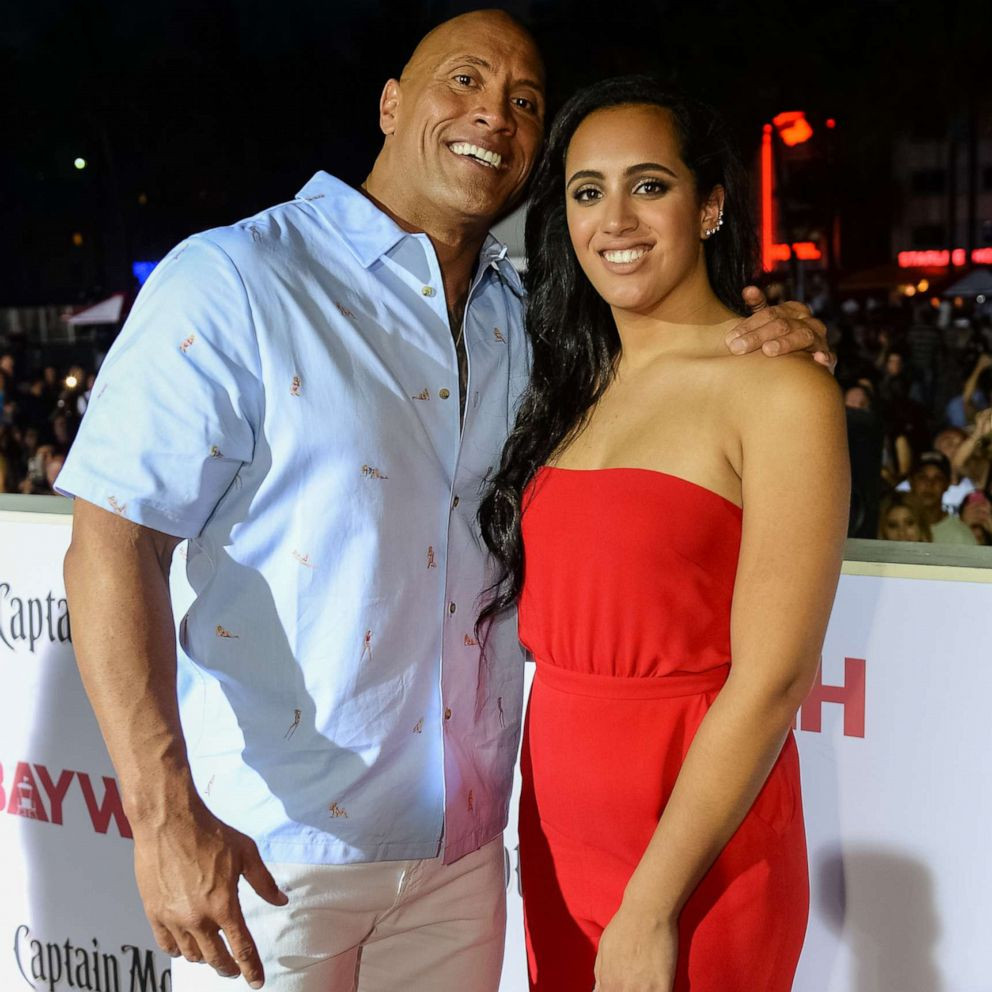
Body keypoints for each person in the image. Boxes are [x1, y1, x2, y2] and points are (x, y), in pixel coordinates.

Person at [56, 15, 832, 992]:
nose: (492, 116)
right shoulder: (237, 279)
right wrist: (161, 807)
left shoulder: (535, 323)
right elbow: (109, 543)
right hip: (275, 858)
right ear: (389, 103)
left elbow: (681, 379)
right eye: (461, 80)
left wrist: (778, 334)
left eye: (524, 102)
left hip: (468, 864)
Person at [479, 77, 848, 991]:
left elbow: (772, 683)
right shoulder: (569, 384)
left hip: (699, 857)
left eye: (650, 185)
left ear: (712, 205)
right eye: (587, 191)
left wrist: (650, 906)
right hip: (561, 839)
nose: (617, 219)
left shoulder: (781, 391)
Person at [908, 451, 977, 545]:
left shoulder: (960, 536)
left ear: (947, 484)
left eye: (938, 478)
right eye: (922, 477)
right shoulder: (896, 529)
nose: (929, 484)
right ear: (911, 481)